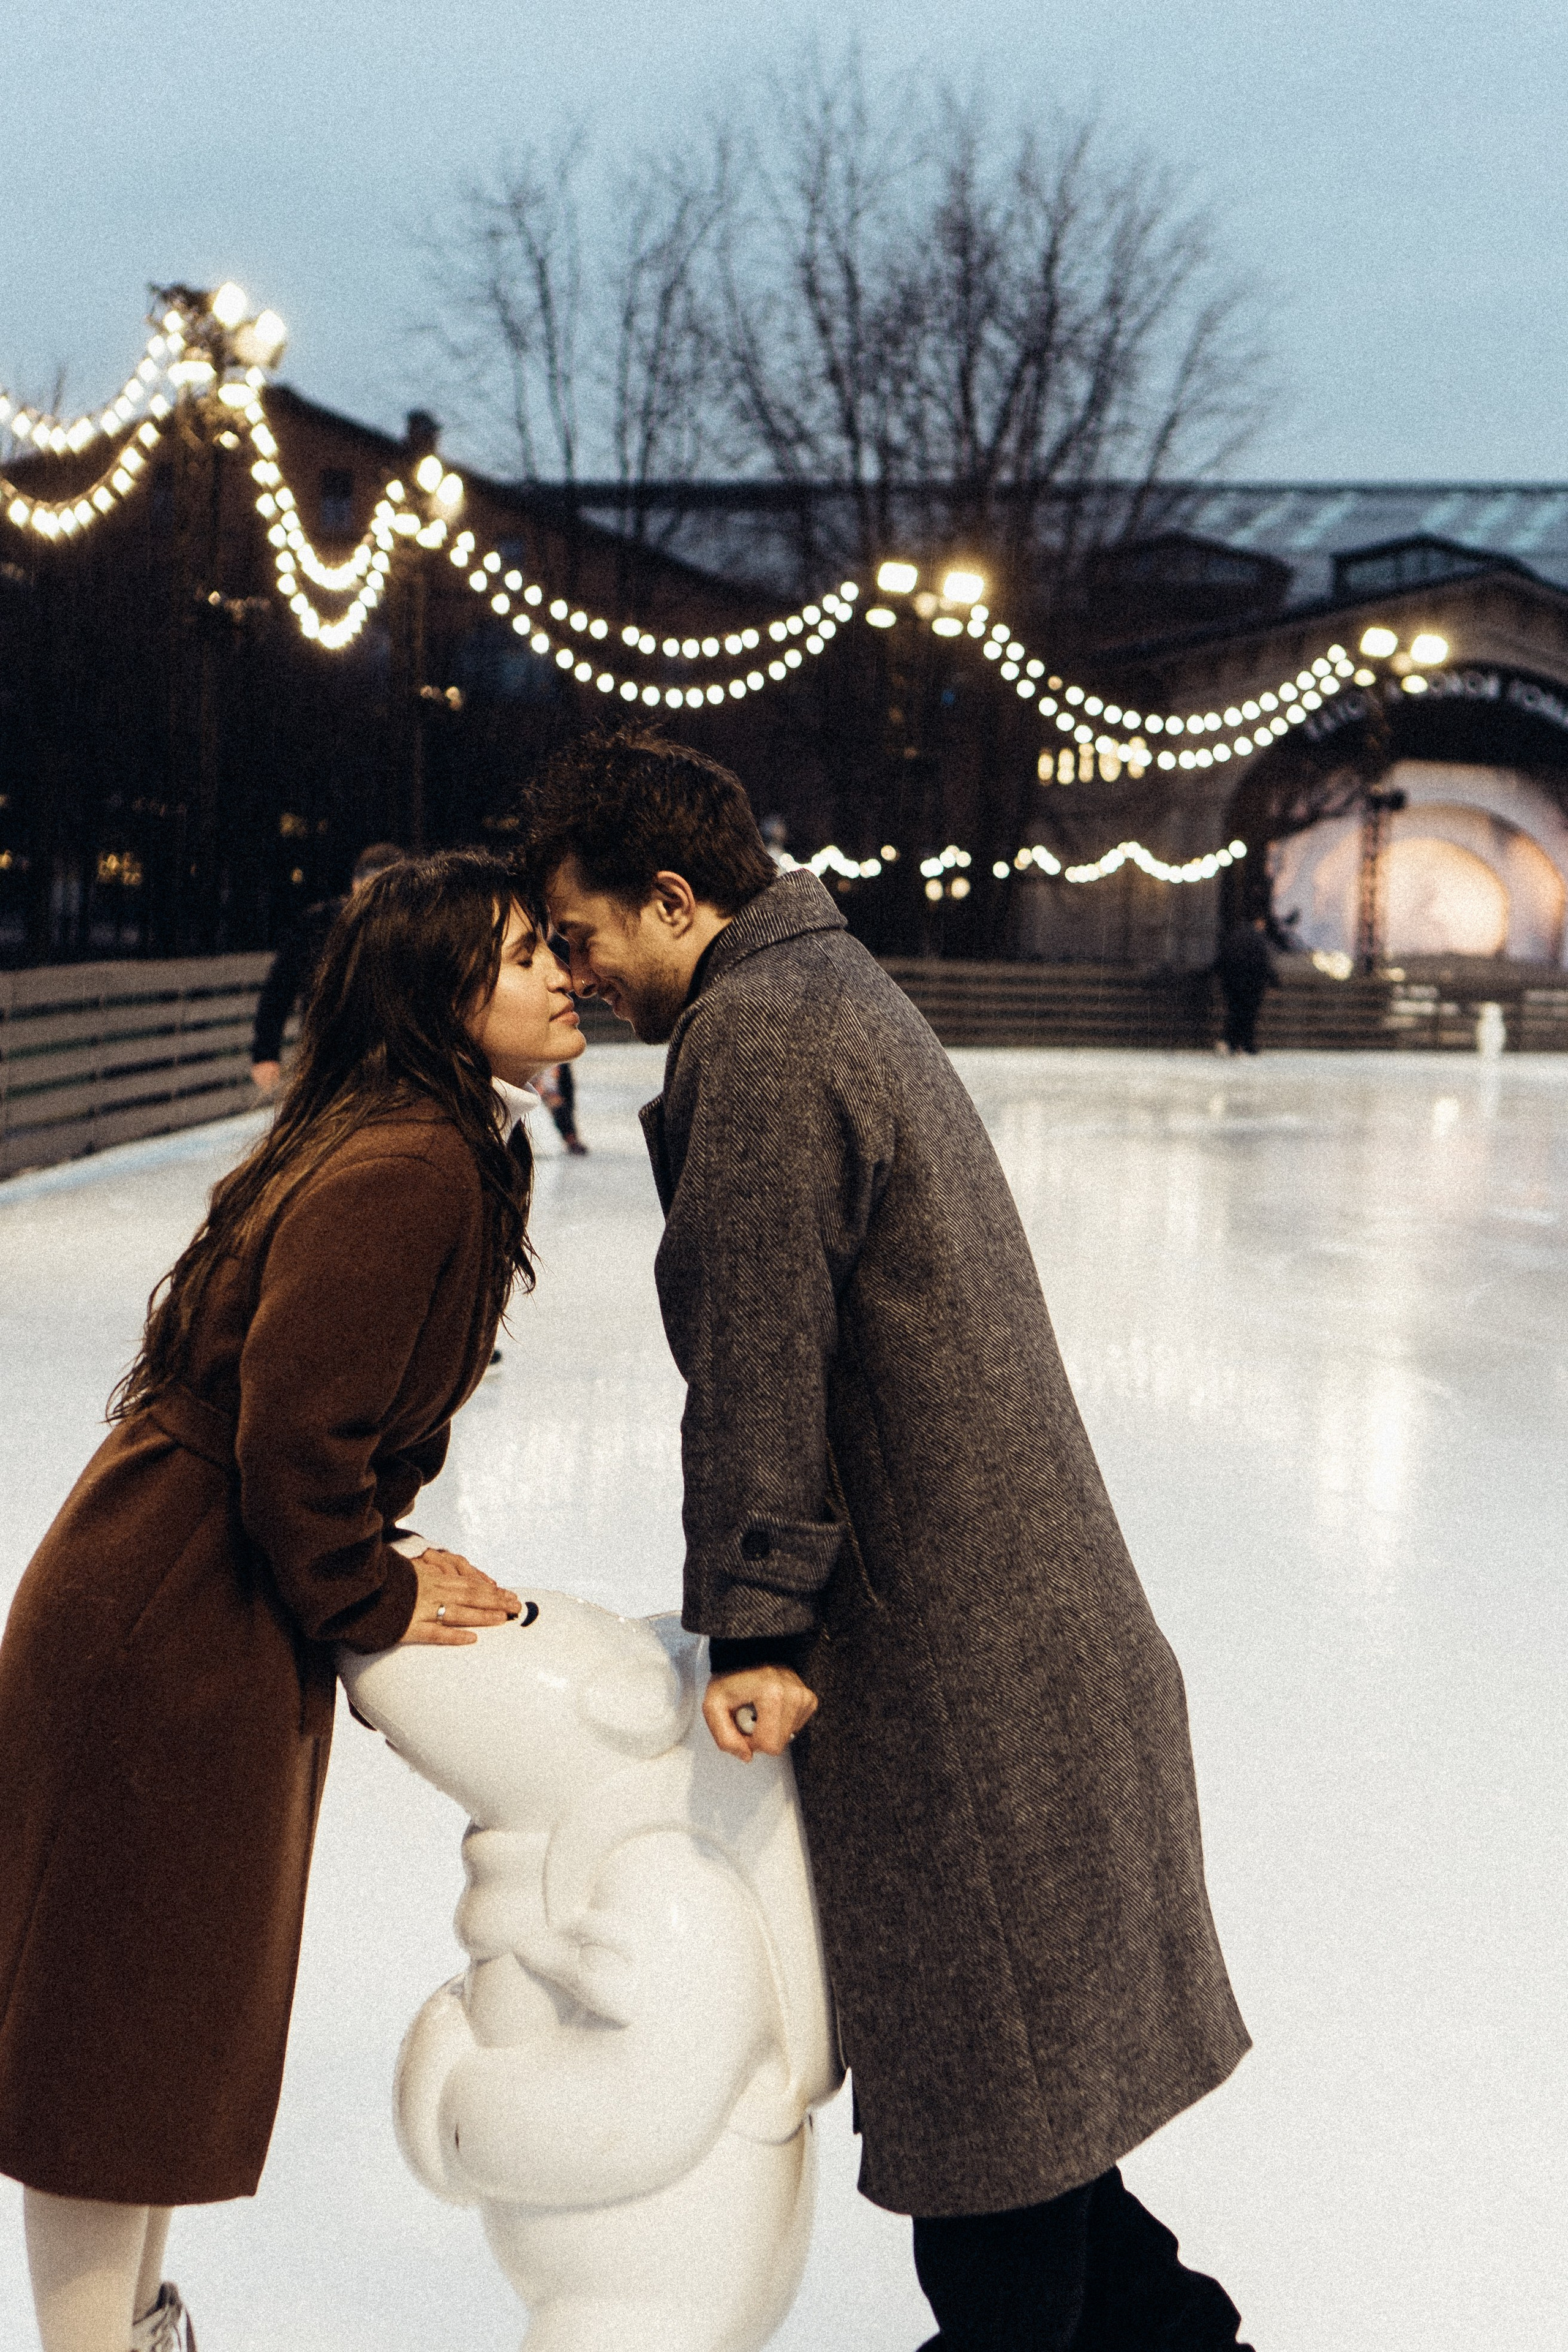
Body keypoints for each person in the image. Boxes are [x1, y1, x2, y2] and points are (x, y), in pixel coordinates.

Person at [526, 731, 1253, 2352]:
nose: (578, 978)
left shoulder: (760, 1036)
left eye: (583, 936)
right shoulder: (824, 988)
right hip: (1020, 1645)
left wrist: (757, 1626)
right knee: (1037, 2120)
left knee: (994, 2147)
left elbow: (758, 1353)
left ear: (672, 897)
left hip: (959, 1678)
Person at [0, 850, 586, 2352]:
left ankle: (131, 2330)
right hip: (170, 1612)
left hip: (199, 1594)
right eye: (524, 952)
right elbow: (295, 1438)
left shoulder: (436, 1139)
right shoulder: (411, 1162)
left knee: (150, 2031)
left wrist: (363, 1566)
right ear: (444, 994)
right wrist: (368, 1584)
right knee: (111, 2040)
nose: (560, 970)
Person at [249, 840, 404, 1091]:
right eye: (372, 888)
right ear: (356, 884)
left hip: (390, 1067)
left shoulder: (408, 934)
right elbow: (278, 990)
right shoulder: (319, 925)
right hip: (325, 1063)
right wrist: (265, 1053)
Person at [1213, 914, 1278, 1056]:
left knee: (1234, 1012)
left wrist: (1215, 974)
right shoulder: (1258, 939)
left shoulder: (1235, 936)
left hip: (1232, 983)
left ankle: (1231, 1042)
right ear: (1259, 922)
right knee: (1249, 1015)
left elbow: (1223, 957)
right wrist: (1274, 981)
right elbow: (1264, 962)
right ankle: (1246, 1044)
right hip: (1252, 984)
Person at [538, 1058, 589, 1154]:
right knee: (561, 1110)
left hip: (554, 1092)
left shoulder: (563, 1065)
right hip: (544, 1091)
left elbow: (568, 1089)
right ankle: (571, 1141)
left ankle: (571, 1140)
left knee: (562, 1110)